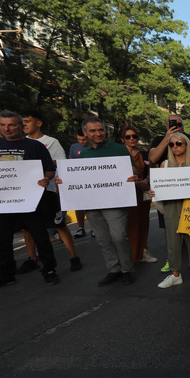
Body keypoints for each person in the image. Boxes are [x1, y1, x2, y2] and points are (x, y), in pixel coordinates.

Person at [0, 111, 60, 290]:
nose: (7, 128)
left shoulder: (35, 146)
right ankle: (6, 275)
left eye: (12, 125)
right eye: (3, 125)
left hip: (31, 200)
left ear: (21, 126)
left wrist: (46, 178)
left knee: (41, 237)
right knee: (3, 240)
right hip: (3, 201)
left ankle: (49, 270)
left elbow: (50, 169)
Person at [77, 117, 140, 286]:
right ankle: (114, 269)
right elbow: (79, 178)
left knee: (119, 236)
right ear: (85, 133)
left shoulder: (119, 149)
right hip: (93, 203)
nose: (98, 133)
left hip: (116, 201)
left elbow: (134, 169)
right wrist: (65, 181)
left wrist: (133, 174)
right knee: (103, 239)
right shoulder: (84, 154)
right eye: (93, 130)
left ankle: (127, 269)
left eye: (101, 129)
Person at [21, 110, 83, 272]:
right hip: (26, 193)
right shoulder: (20, 142)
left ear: (38, 123)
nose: (24, 124)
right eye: (22, 122)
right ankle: (31, 258)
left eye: (27, 121)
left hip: (48, 191)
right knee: (27, 227)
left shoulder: (51, 142)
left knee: (58, 225)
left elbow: (61, 164)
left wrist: (39, 167)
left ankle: (74, 257)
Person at [149, 132, 190, 289]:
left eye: (179, 143)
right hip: (172, 205)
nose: (175, 147)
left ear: (186, 145)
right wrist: (155, 191)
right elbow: (159, 188)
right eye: (172, 144)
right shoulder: (165, 164)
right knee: (173, 240)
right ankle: (175, 274)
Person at [121, 126, 157, 264]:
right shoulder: (120, 155)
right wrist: (136, 183)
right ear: (122, 139)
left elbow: (150, 170)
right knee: (130, 223)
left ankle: (143, 251)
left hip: (143, 192)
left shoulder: (144, 154)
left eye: (134, 136)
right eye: (128, 137)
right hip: (127, 193)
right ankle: (130, 254)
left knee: (144, 221)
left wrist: (146, 181)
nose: (131, 139)